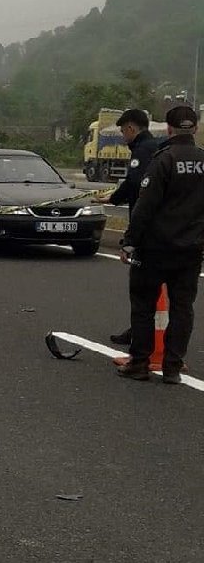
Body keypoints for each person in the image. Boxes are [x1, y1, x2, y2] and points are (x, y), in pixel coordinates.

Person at [115, 105, 204, 385]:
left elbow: (145, 206)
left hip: (155, 247)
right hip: (191, 249)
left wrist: (129, 242)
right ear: (196, 128)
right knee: (182, 308)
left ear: (168, 128)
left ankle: (140, 363)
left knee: (143, 305)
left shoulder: (163, 159)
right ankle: (173, 367)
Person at [99, 109, 160, 345]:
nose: (123, 137)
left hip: (145, 227)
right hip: (168, 228)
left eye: (124, 132)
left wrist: (114, 198)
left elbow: (135, 182)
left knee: (142, 287)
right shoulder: (158, 147)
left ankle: (139, 338)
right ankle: (148, 333)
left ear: (132, 129)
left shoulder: (142, 150)